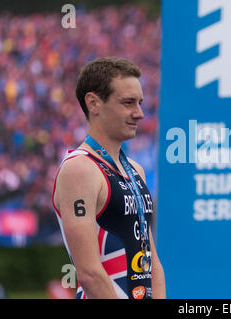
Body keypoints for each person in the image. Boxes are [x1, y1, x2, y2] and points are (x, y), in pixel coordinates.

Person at [52, 57, 165, 299]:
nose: (140, 113)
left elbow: (152, 261)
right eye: (128, 103)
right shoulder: (80, 169)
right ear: (93, 103)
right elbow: (89, 272)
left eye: (140, 103)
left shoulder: (135, 169)